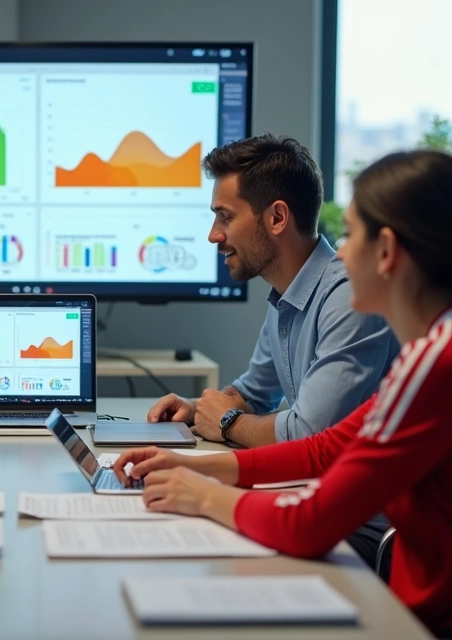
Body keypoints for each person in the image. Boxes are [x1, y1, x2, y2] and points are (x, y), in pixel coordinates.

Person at [114, 149, 452, 638]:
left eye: (353, 233)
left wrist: (203, 497)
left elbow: (310, 522)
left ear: (386, 251)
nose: (339, 254)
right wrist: (195, 466)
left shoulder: (448, 362)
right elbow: (328, 448)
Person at [147, 134, 400, 565]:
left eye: (224, 217)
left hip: (358, 538)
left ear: (277, 217)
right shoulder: (287, 292)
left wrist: (225, 422)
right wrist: (199, 409)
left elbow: (310, 436)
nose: (213, 235)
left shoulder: (349, 297)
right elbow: (253, 392)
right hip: (308, 502)